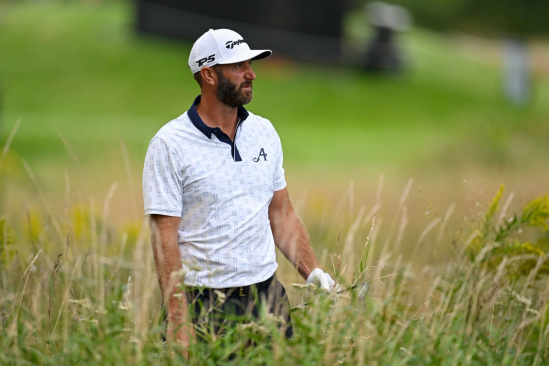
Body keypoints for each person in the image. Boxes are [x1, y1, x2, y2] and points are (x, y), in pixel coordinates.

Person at [142, 28, 336, 348]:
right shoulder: (169, 144)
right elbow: (165, 240)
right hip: (206, 306)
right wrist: (179, 320)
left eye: (249, 64)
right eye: (238, 67)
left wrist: (312, 271)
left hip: (268, 299)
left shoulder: (264, 132)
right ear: (208, 74)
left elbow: (281, 214)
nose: (251, 74)